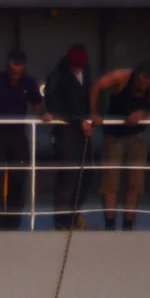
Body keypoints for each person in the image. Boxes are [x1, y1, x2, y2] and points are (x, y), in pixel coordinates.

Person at [0, 48, 43, 228]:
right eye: (13, 64)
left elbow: (37, 105)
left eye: (19, 65)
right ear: (8, 63)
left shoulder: (29, 83)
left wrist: (46, 113)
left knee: (17, 182)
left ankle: (13, 224)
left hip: (18, 137)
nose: (16, 68)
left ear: (24, 66)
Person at [90, 62, 150, 229]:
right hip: (113, 135)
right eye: (141, 81)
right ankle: (110, 223)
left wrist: (143, 113)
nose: (144, 85)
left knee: (135, 181)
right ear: (136, 75)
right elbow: (96, 86)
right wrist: (94, 113)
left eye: (148, 82)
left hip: (137, 136)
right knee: (110, 180)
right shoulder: (121, 77)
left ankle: (128, 223)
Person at [42, 45, 95, 229]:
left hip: (84, 130)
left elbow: (90, 96)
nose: (77, 69)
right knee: (69, 175)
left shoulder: (86, 71)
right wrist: (79, 121)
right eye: (74, 66)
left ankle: (73, 215)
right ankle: (61, 221)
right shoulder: (57, 75)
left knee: (87, 174)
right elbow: (54, 104)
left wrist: (92, 116)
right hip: (66, 131)